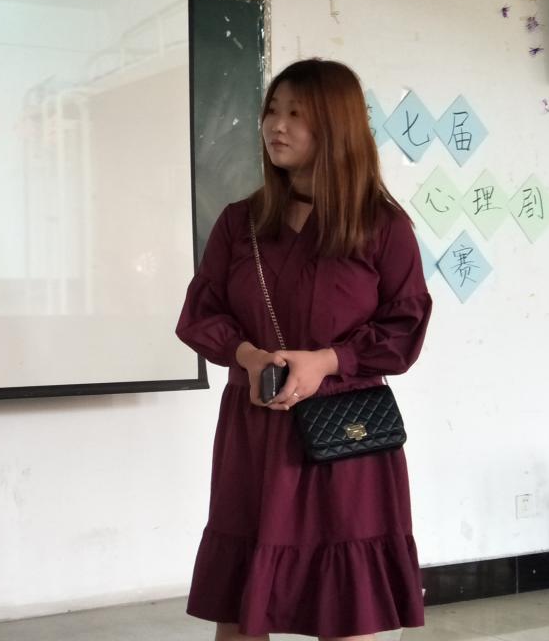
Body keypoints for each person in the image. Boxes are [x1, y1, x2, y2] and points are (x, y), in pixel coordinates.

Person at [177, 59, 432, 641]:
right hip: (256, 429)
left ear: (336, 126)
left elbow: (406, 326)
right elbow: (201, 313)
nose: (276, 125)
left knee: (346, 602)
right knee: (241, 607)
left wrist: (329, 361)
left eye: (296, 114)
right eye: (272, 110)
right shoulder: (240, 223)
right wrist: (248, 356)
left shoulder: (383, 227)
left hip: (345, 434)